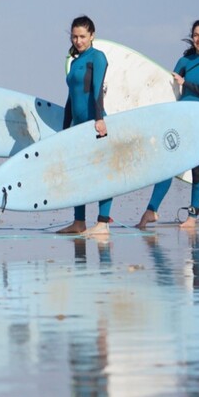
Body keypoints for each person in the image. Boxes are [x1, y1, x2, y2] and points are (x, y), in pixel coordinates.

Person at [137, 20, 199, 230]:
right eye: (196, 35)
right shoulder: (185, 61)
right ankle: (152, 210)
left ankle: (192, 217)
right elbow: (167, 91)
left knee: (198, 169)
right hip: (180, 120)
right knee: (167, 165)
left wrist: (186, 83)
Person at [57, 16, 112, 236]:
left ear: (92, 36)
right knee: (77, 174)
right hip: (77, 125)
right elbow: (71, 96)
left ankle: (103, 223)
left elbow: (97, 88)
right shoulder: (75, 60)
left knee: (102, 172)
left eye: (82, 36)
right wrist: (64, 127)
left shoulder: (97, 57)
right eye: (75, 36)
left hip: (94, 122)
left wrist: (99, 119)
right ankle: (79, 222)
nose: (78, 40)